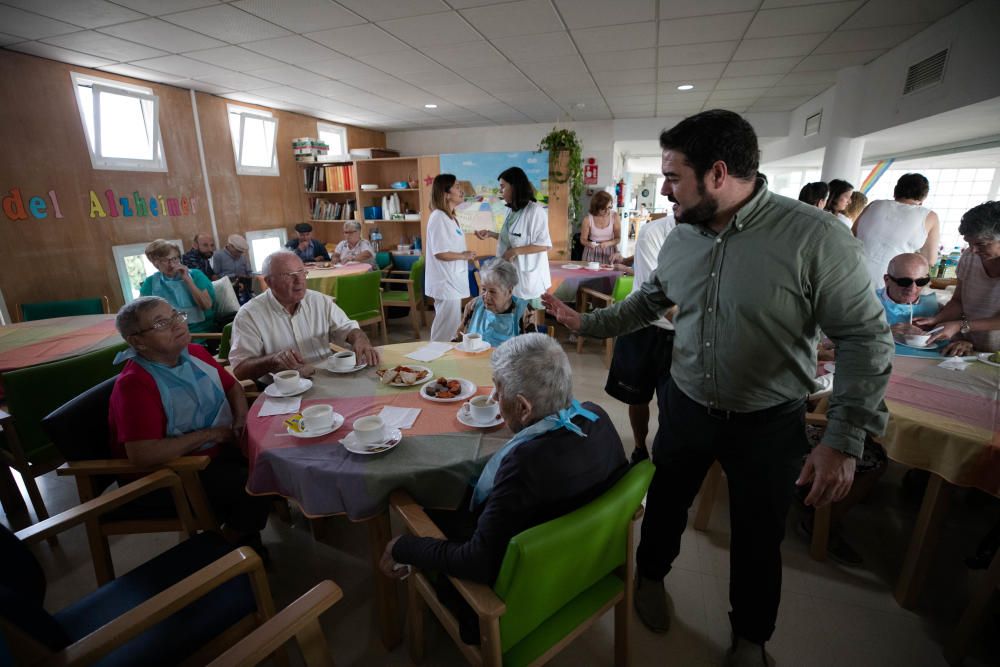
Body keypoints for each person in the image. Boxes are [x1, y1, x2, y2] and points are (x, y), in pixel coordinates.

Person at [542, 109, 892, 665]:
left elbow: (867, 340)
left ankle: (750, 638)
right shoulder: (682, 236)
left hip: (768, 422)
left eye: (674, 175)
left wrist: (843, 438)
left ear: (719, 173)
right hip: (684, 405)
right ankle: (651, 578)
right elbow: (646, 304)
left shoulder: (816, 238)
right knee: (664, 507)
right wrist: (585, 323)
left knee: (757, 538)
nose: (663, 188)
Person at [379, 334, 627, 641]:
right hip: (584, 571)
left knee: (424, 501)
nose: (495, 398)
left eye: (499, 389)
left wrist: (403, 546)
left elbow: (476, 562)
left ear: (523, 408)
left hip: (512, 605)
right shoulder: (598, 417)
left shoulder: (523, 467)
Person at [108, 296, 271, 555]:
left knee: (274, 461)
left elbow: (233, 388)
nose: (176, 324)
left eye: (175, 315)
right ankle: (220, 551)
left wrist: (240, 419)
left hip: (217, 451)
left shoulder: (194, 353)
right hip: (169, 474)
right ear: (137, 341)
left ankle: (243, 539)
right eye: (161, 323)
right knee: (254, 484)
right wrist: (213, 434)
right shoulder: (134, 384)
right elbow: (143, 454)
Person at [228, 250, 379, 383]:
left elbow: (348, 328)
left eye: (302, 272)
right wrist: (272, 361)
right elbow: (240, 369)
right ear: (269, 281)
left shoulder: (319, 301)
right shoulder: (249, 315)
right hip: (284, 389)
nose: (299, 280)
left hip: (328, 378)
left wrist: (360, 338)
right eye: (289, 275)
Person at [604, 213, 676, 464]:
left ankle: (664, 453)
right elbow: (654, 299)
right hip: (643, 327)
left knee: (674, 405)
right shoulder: (654, 231)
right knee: (637, 396)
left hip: (680, 335)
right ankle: (639, 447)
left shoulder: (715, 233)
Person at [915, 201, 1000, 354]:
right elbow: (958, 301)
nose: (973, 250)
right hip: (973, 345)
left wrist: (960, 325)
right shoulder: (970, 257)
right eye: (969, 244)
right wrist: (937, 320)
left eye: (981, 244)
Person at [475, 166, 551, 306]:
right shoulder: (511, 211)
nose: (500, 191)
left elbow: (544, 244)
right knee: (512, 317)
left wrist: (514, 252)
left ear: (514, 187)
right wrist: (491, 234)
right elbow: (513, 238)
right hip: (511, 275)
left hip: (528, 279)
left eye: (503, 187)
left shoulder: (535, 212)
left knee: (526, 321)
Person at [854, 173, 941, 289]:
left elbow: (851, 235)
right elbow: (930, 260)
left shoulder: (874, 205)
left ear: (895, 190)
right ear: (924, 197)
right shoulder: (930, 216)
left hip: (851, 273)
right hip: (888, 284)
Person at [425, 173, 476, 342]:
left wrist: (465, 254)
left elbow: (451, 245)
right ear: (446, 193)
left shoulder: (451, 217)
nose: (461, 190)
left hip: (452, 281)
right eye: (457, 187)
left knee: (451, 327)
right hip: (445, 283)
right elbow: (440, 252)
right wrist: (464, 255)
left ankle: (444, 360)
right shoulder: (438, 217)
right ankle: (434, 360)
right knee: (445, 330)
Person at [455, 258, 538, 346]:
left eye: (492, 291)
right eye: (484, 289)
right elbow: (459, 338)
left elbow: (533, 350)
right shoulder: (473, 305)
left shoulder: (524, 311)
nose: (486, 296)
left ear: (509, 291)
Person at [140, 239, 217, 334]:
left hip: (200, 330)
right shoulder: (150, 282)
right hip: (168, 333)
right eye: (165, 260)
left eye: (175, 259)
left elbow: (206, 306)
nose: (172, 264)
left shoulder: (196, 275)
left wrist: (187, 280)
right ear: (155, 263)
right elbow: (142, 313)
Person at [580, 191, 621, 265]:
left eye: (609, 207)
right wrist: (589, 244)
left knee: (608, 275)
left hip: (610, 252)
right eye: (603, 209)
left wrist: (608, 243)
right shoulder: (587, 219)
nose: (607, 211)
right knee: (590, 275)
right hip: (591, 252)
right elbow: (583, 240)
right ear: (596, 208)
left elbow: (618, 239)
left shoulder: (614, 216)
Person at [212, 234, 254, 305]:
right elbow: (215, 276)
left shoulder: (243, 257)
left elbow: (249, 273)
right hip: (226, 291)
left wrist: (251, 276)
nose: (240, 254)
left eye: (241, 252)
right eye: (238, 251)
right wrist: (234, 275)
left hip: (243, 290)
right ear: (230, 246)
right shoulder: (218, 255)